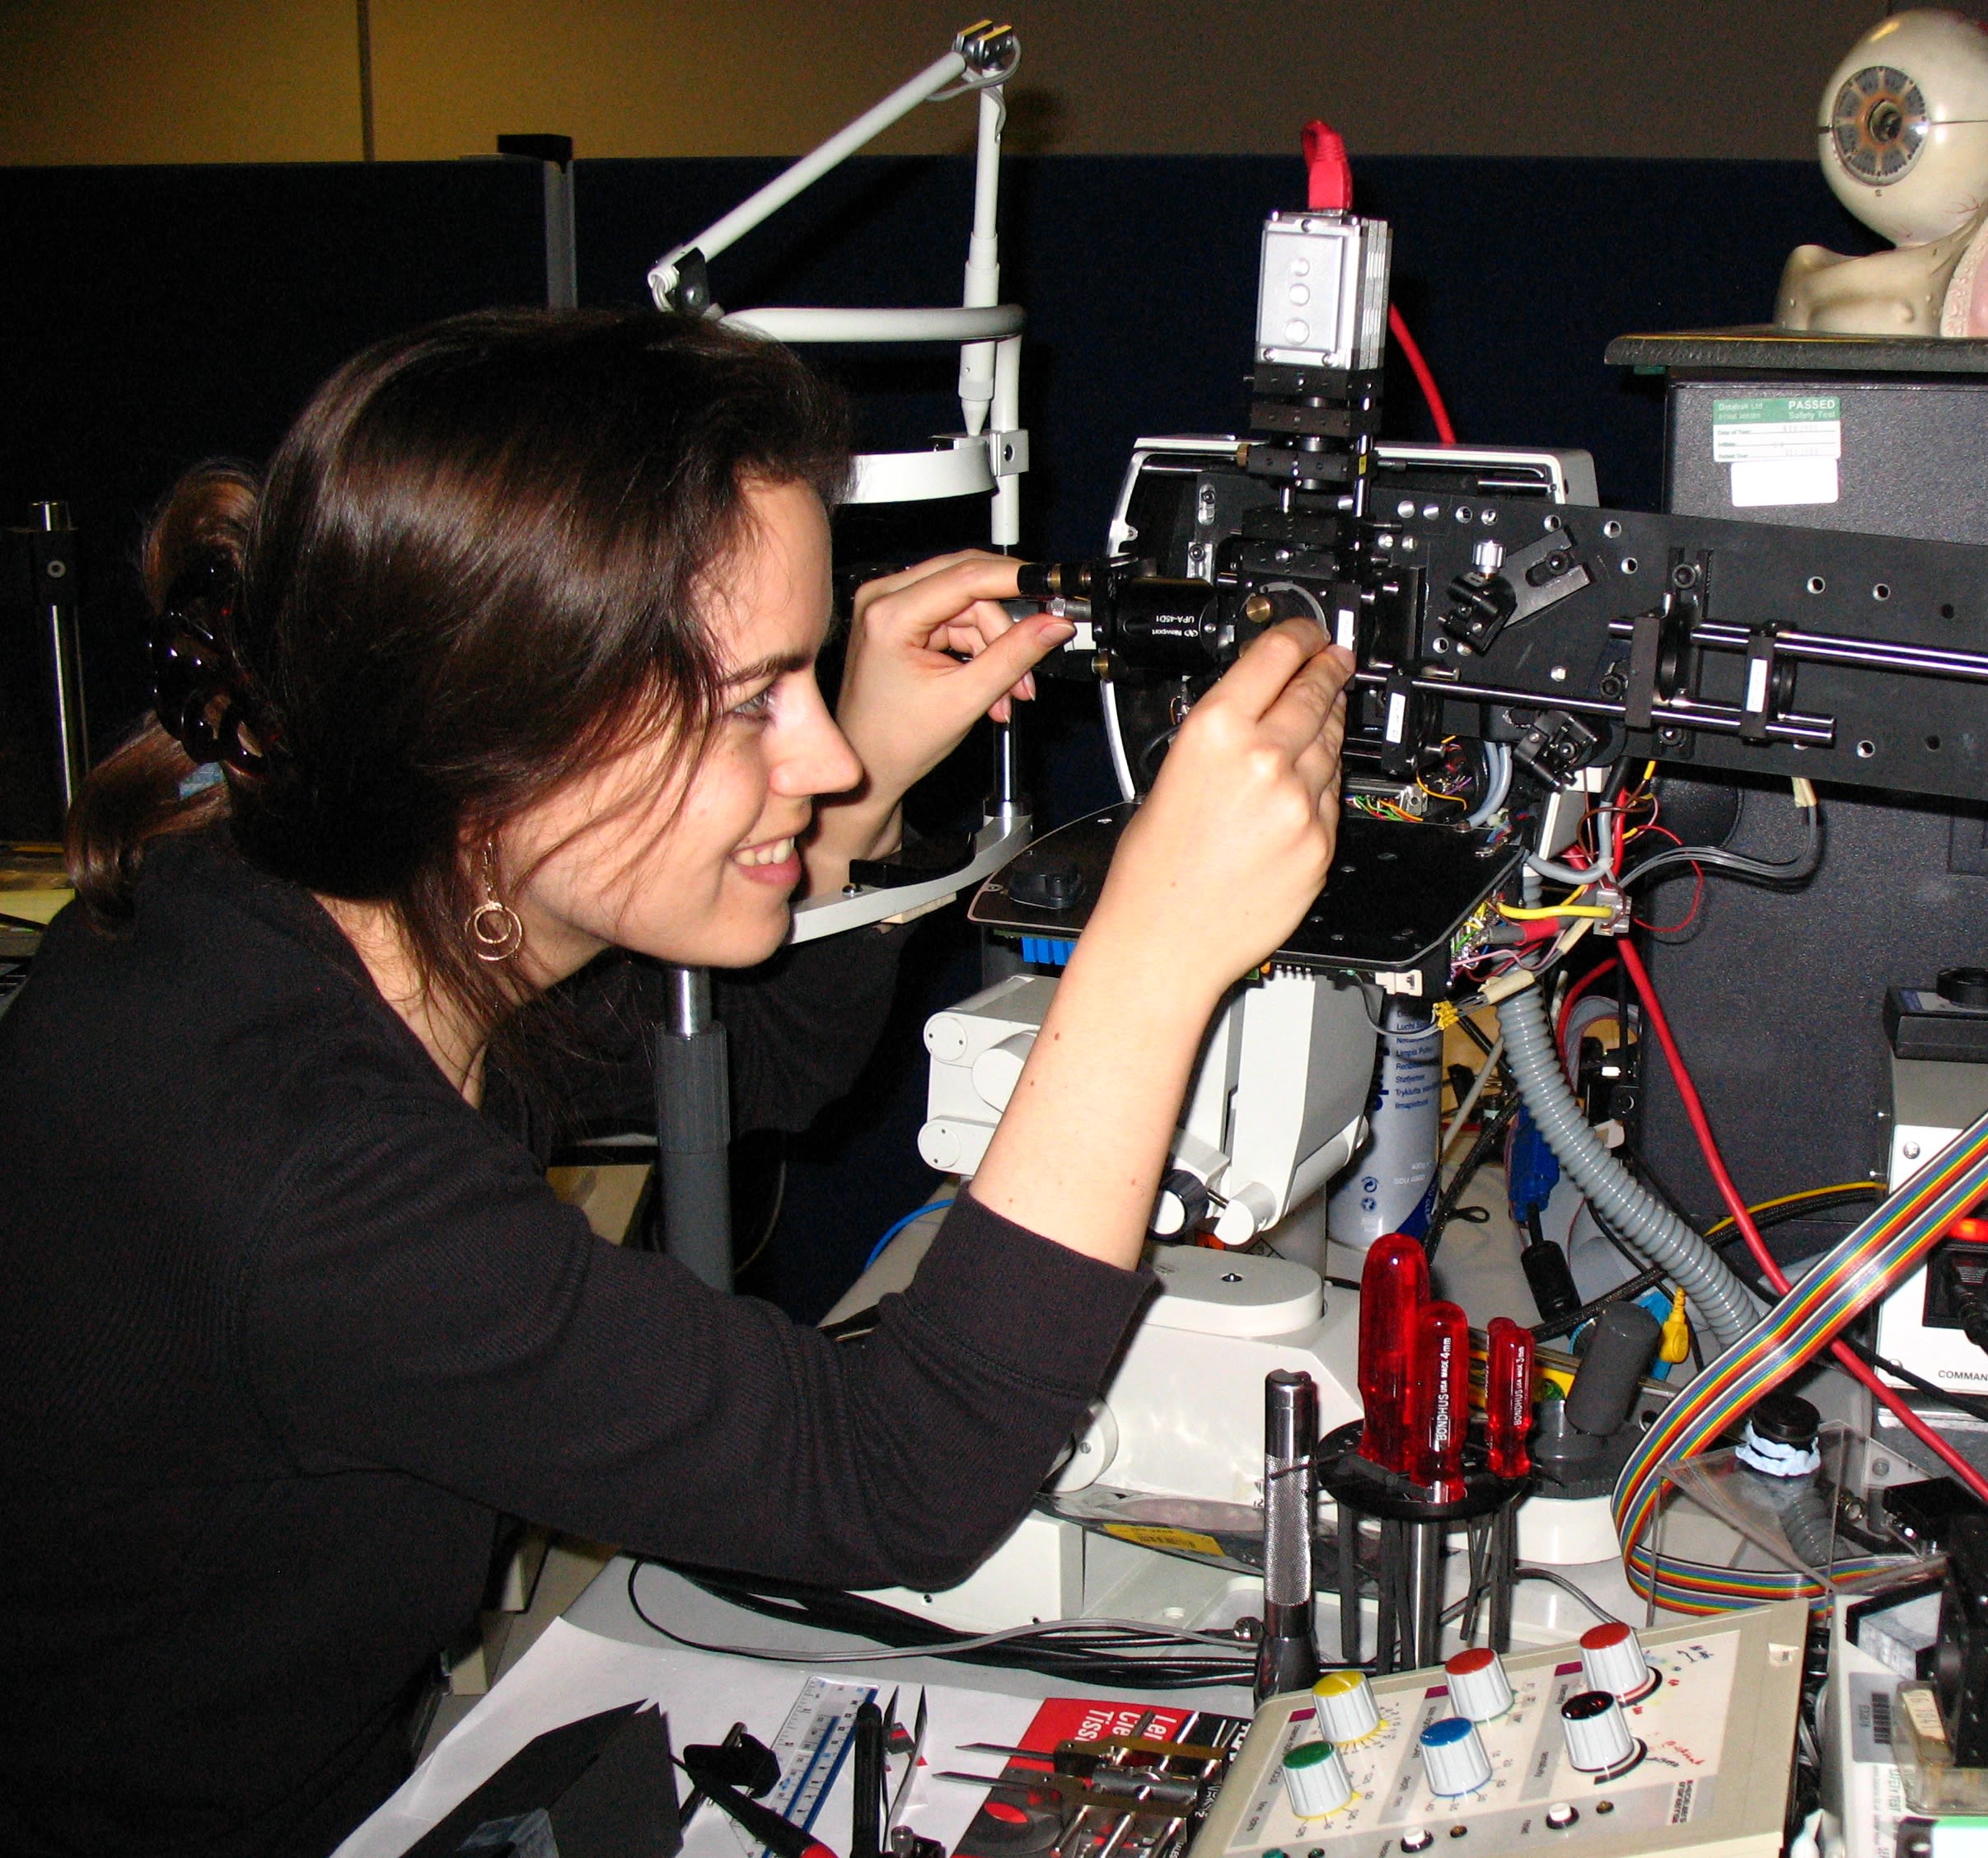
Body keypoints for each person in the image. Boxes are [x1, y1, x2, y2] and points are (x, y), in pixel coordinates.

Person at [0, 308, 1354, 1858]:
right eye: (750, 698)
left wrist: (858, 783)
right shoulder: (289, 1151)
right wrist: (1149, 956)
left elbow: (760, 1059)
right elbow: (896, 1478)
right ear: (504, 728)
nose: (823, 756)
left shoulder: (369, 895)